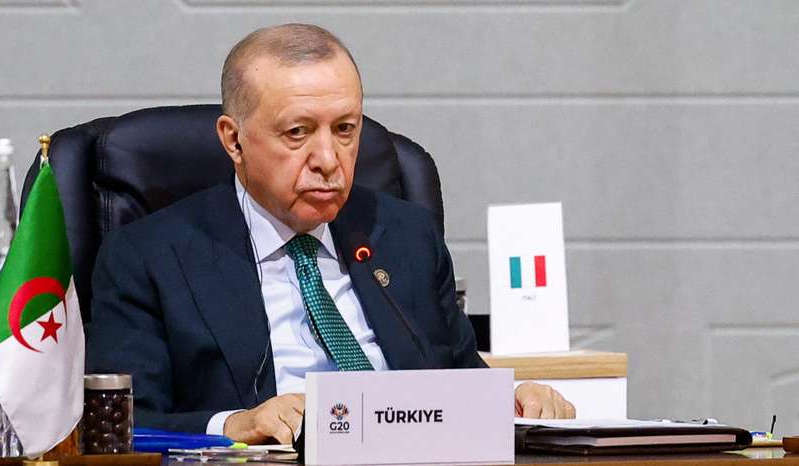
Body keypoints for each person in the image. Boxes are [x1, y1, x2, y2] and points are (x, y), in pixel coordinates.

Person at [86, 23, 575, 445]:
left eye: (345, 129)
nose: (328, 159)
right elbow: (122, 423)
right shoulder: (149, 256)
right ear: (234, 140)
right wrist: (235, 424)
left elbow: (459, 378)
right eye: (297, 133)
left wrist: (513, 399)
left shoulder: (406, 235)